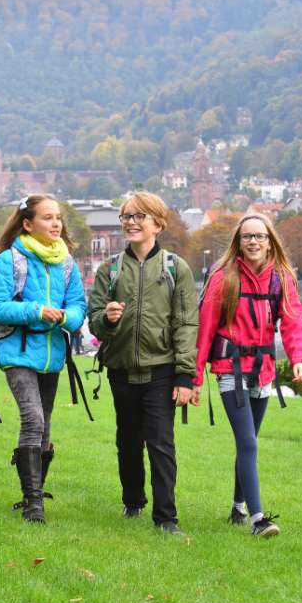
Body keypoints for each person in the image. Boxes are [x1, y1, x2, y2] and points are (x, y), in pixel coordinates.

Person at [192, 213, 302, 537]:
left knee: (249, 442)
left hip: (263, 371)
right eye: (247, 237)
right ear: (238, 243)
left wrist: (300, 358)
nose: (254, 242)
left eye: (260, 236)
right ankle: (259, 520)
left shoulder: (281, 278)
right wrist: (194, 379)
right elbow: (205, 329)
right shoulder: (223, 278)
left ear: (270, 241)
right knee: (247, 442)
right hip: (230, 369)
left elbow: (293, 321)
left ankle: (237, 507)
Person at [89, 192, 198, 534]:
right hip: (121, 370)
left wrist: (184, 375)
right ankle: (133, 501)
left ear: (158, 224)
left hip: (161, 369)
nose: (131, 222)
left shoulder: (174, 268)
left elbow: (186, 322)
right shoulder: (110, 269)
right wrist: (106, 319)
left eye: (139, 216)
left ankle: (166, 517)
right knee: (128, 440)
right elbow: (93, 321)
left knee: (161, 442)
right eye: (126, 217)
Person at [0, 194, 86, 524]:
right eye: (47, 218)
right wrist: (36, 311)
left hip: (52, 356)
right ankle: (33, 504)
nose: (56, 223)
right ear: (28, 224)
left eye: (58, 217)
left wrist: (65, 318)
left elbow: (78, 308)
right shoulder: (9, 260)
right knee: (34, 419)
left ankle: (34, 494)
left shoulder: (67, 263)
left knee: (45, 427)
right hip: (17, 353)